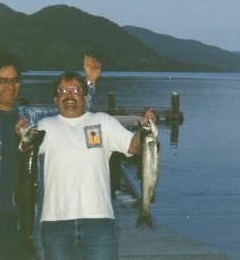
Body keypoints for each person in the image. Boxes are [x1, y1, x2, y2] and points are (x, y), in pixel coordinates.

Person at [0, 55, 101, 260]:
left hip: (21, 225)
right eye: (3, 81)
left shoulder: (33, 118)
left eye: (15, 80)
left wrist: (90, 82)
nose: (10, 86)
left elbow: (74, 111)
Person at [37, 72, 155, 260]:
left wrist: (145, 129)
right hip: (55, 225)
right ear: (55, 99)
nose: (69, 94)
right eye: (63, 90)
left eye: (76, 90)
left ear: (85, 96)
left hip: (99, 223)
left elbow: (133, 147)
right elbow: (24, 149)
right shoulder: (45, 126)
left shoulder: (103, 121)